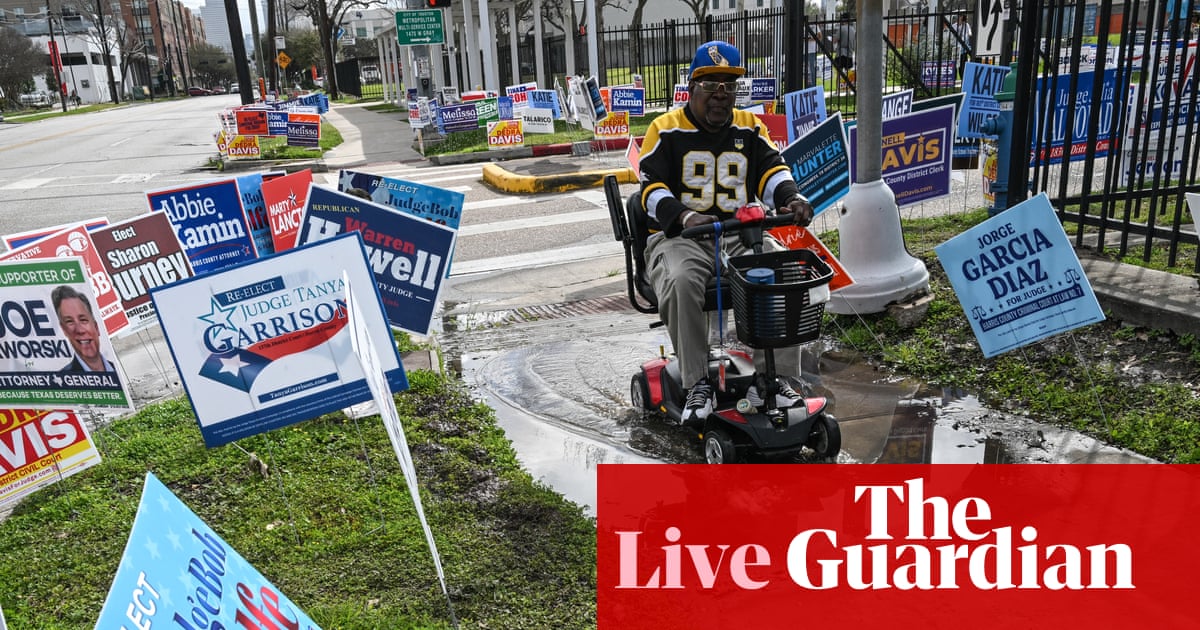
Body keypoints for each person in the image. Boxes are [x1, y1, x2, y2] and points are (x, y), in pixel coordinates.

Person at [637, 40, 815, 425]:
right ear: (691, 87)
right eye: (710, 85)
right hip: (679, 238)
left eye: (729, 86)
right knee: (682, 279)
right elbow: (649, 189)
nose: (720, 96)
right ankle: (696, 382)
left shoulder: (750, 127)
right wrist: (684, 216)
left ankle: (776, 377)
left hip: (738, 233)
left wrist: (791, 197)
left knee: (781, 270)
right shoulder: (664, 130)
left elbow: (772, 169)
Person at [52, 285, 115, 373]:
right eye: (70, 322)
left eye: (83, 320)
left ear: (96, 327)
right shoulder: (63, 381)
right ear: (64, 330)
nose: (79, 330)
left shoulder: (116, 369)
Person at [952, 13, 973, 79]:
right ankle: (954, 79)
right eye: (958, 16)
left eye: (960, 16)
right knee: (955, 65)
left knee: (963, 66)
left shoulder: (966, 25)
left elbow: (970, 34)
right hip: (955, 48)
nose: (959, 17)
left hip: (963, 48)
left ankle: (963, 79)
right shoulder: (954, 26)